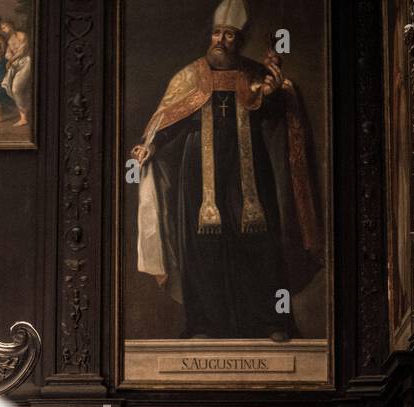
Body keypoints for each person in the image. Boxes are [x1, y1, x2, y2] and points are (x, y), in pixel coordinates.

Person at [130, 0, 322, 341]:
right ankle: (204, 324)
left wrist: (275, 92)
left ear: (240, 40)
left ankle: (271, 322)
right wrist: (150, 144)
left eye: (229, 35)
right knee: (201, 248)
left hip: (249, 172)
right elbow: (168, 119)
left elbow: (275, 116)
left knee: (259, 243)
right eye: (217, 33)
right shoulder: (189, 76)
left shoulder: (256, 75)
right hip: (198, 173)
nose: (220, 40)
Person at [0, 18, 30, 129]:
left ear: (10, 25)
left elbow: (22, 51)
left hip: (26, 62)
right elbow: (8, 53)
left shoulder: (22, 35)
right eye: (2, 28)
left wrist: (11, 60)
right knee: (11, 88)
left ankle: (24, 117)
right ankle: (23, 115)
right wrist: (9, 57)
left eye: (4, 27)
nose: (3, 30)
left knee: (16, 89)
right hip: (16, 65)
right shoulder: (9, 40)